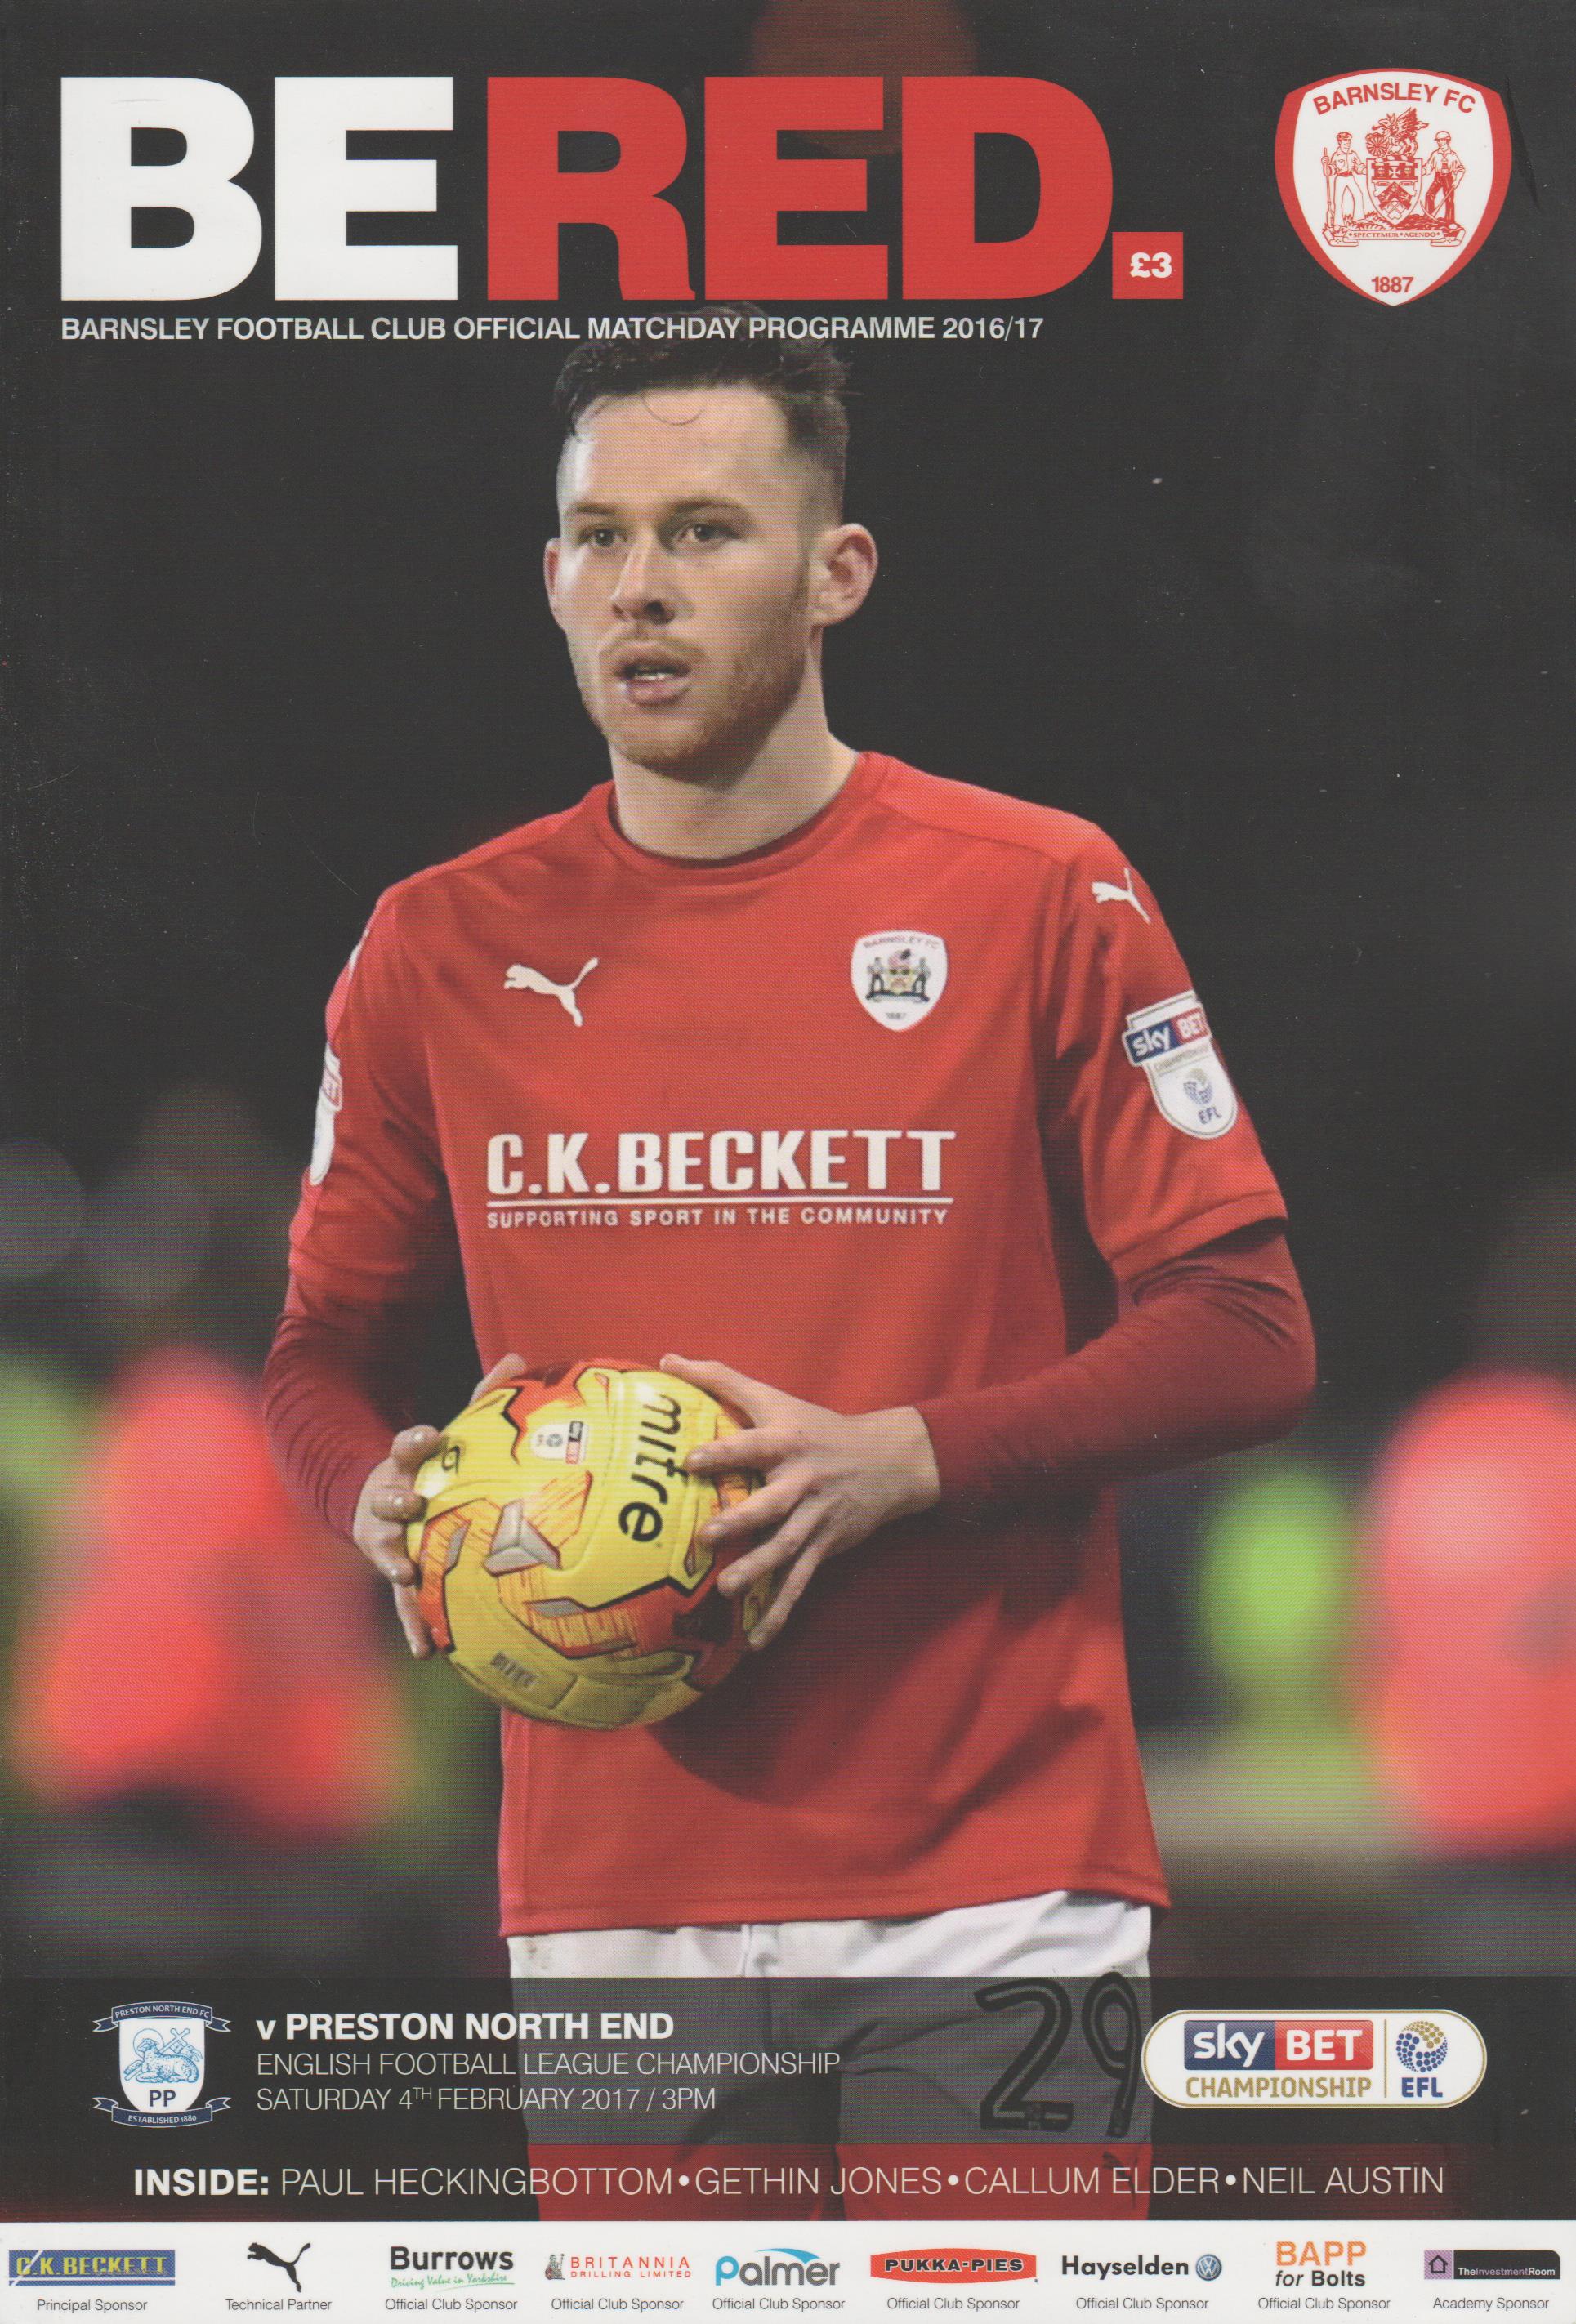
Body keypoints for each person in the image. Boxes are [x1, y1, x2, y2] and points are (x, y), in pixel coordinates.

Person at [264, 317, 1313, 2081]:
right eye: (600, 537)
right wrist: (367, 1490)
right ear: (547, 576)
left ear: (837, 572)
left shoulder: (1039, 894)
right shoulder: (438, 945)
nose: (641, 588)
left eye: (703, 531)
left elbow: (1247, 1332)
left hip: (989, 1872)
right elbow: (317, 1354)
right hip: (611, 1897)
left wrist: (903, 1454)